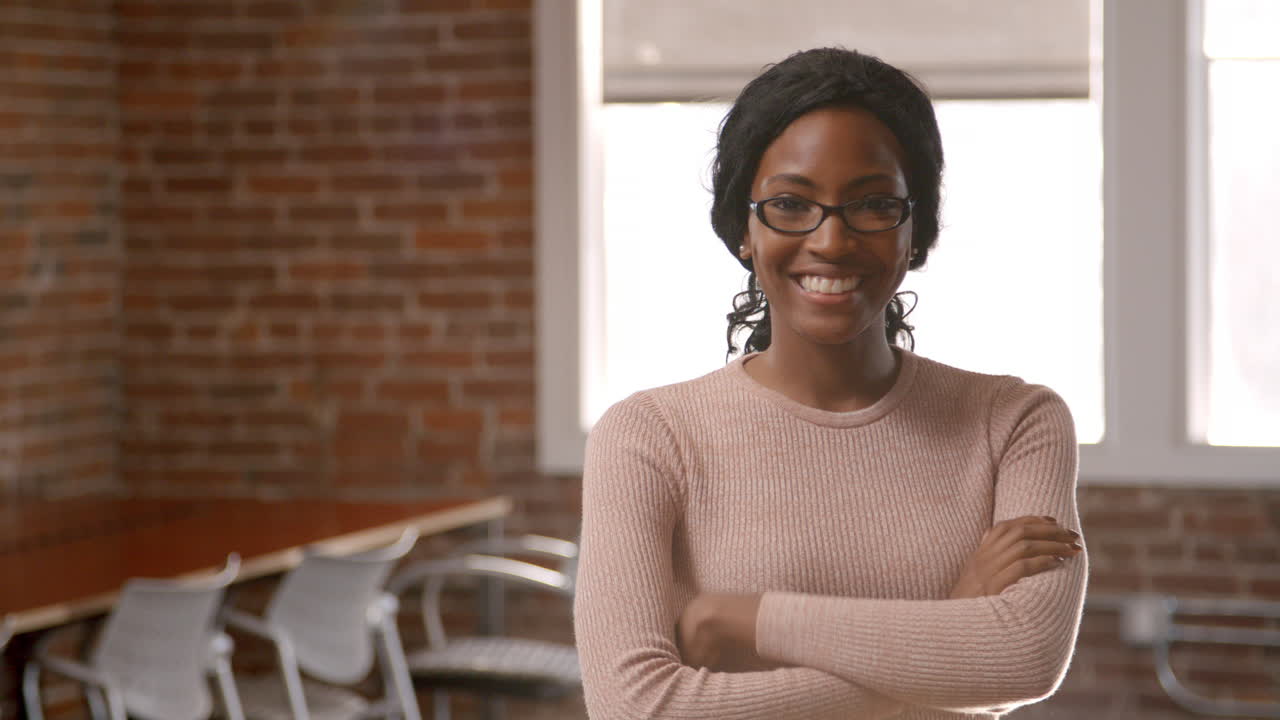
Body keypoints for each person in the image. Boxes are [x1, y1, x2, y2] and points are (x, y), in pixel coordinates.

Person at [573, 47, 1087, 719]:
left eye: (873, 204)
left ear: (917, 231)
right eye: (790, 203)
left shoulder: (1016, 422)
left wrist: (743, 622)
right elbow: (637, 708)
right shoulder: (649, 437)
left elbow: (1023, 658)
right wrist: (949, 643)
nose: (832, 241)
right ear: (743, 231)